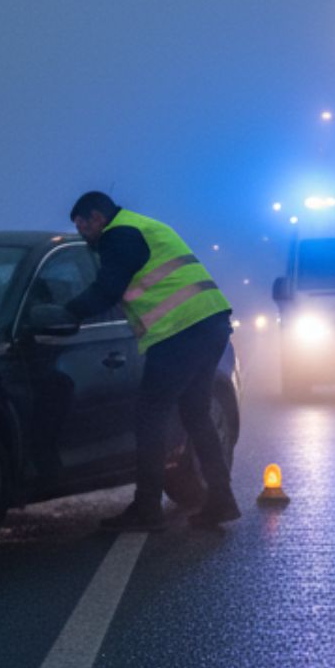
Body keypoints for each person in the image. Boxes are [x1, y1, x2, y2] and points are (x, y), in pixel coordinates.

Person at [64, 191, 239, 532]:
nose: (81, 233)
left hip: (180, 331)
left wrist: (65, 311)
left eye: (82, 224)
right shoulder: (142, 226)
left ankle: (147, 509)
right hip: (210, 323)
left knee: (149, 416)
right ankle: (221, 499)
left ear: (97, 217)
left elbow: (107, 291)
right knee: (195, 413)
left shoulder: (119, 235)